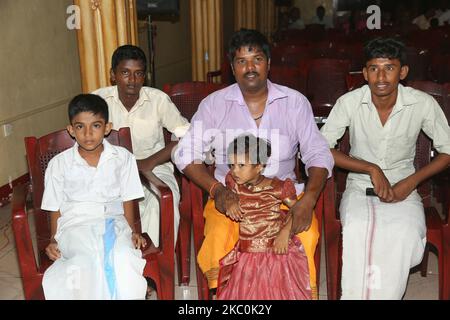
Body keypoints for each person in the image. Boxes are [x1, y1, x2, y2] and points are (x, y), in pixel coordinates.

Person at [173, 28, 334, 299]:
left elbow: (318, 153)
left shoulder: (294, 103)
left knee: (305, 237)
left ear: (268, 64)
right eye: (241, 61)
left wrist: (309, 199)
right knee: (219, 238)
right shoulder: (214, 105)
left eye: (257, 59)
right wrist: (217, 191)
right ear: (232, 68)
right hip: (230, 198)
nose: (250, 67)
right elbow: (185, 153)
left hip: (285, 198)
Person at [320, 37, 450, 299]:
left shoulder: (421, 103)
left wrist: (411, 182)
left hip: (404, 184)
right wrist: (371, 168)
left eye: (389, 68)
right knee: (359, 228)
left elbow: (448, 150)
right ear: (365, 72)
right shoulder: (350, 102)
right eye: (374, 68)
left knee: (403, 232)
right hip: (359, 185)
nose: (381, 76)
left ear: (402, 72)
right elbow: (321, 148)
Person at [42, 94, 148, 299]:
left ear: (107, 127)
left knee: (122, 257)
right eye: (80, 127)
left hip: (113, 223)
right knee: (85, 262)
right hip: (74, 226)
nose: (88, 134)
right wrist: (53, 240)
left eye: (96, 126)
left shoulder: (122, 158)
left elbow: (128, 199)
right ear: (71, 130)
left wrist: (132, 230)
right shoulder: (59, 164)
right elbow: (54, 207)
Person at [93, 45, 190, 248]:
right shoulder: (98, 100)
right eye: (125, 73)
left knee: (161, 201)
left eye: (138, 74)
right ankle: (118, 263)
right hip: (110, 168)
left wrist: (149, 162)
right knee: (98, 207)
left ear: (144, 76)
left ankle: (153, 266)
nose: (132, 80)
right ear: (113, 75)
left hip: (154, 166)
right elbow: (84, 140)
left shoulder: (157, 100)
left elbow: (187, 137)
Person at [216, 135, 311, 300]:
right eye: (231, 165)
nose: (234, 171)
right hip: (246, 252)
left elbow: (298, 210)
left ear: (259, 166)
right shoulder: (233, 184)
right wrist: (229, 202)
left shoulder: (278, 188)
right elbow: (223, 199)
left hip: (274, 251)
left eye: (241, 165)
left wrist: (286, 232)